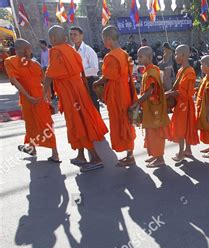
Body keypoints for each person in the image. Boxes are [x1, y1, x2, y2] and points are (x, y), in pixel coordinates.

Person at [43, 25, 108, 172]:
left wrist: (44, 91)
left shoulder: (56, 50)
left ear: (52, 39)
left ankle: (96, 158)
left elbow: (50, 73)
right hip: (78, 90)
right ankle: (81, 156)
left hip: (71, 94)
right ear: (65, 37)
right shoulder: (70, 49)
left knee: (80, 123)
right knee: (77, 122)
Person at [5, 39, 59, 162]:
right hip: (30, 97)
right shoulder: (11, 61)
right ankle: (32, 148)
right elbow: (15, 80)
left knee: (45, 123)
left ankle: (55, 153)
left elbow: (44, 81)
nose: (31, 51)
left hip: (35, 97)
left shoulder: (34, 64)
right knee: (32, 124)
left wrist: (47, 97)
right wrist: (42, 96)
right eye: (29, 49)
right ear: (24, 50)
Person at [93, 26, 137, 167]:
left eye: (103, 39)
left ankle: (130, 155)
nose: (103, 42)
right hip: (125, 90)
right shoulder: (124, 53)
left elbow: (108, 76)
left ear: (108, 39)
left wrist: (97, 82)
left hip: (117, 93)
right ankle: (130, 154)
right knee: (126, 120)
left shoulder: (111, 56)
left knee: (121, 120)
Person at [133, 46, 171, 168]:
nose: (138, 58)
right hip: (150, 108)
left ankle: (160, 158)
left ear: (149, 57)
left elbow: (149, 92)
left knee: (156, 134)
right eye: (138, 56)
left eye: (140, 56)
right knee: (150, 133)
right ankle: (155, 155)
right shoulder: (149, 70)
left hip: (154, 109)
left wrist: (137, 102)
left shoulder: (151, 72)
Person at [166, 44, 199, 162]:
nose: (175, 56)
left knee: (181, 128)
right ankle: (188, 150)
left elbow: (187, 93)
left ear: (184, 55)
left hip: (185, 104)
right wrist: (169, 92)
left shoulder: (190, 72)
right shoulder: (181, 70)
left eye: (176, 54)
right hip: (181, 103)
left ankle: (181, 153)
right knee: (185, 127)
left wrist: (170, 94)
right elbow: (177, 87)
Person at [69, 26, 100, 112]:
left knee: (93, 108)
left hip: (89, 82)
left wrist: (79, 73)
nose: (73, 37)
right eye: (71, 34)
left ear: (81, 36)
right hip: (76, 84)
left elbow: (94, 69)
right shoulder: (70, 51)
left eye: (75, 34)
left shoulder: (88, 50)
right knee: (81, 110)